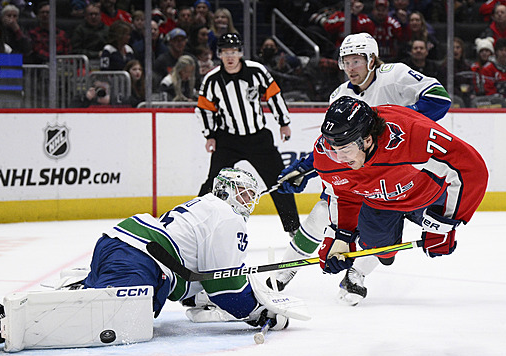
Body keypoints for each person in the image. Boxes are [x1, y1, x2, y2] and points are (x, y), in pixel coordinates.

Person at [0, 168, 291, 351]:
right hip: (141, 260)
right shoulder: (228, 217)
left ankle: (5, 310)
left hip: (124, 243)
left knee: (96, 300)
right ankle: (3, 323)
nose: (250, 202)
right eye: (245, 194)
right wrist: (262, 312)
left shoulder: (205, 205)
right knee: (105, 321)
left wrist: (209, 297)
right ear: (228, 192)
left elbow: (199, 278)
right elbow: (227, 290)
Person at [269, 33, 451, 292]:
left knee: (411, 225)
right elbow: (331, 144)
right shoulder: (340, 95)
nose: (350, 68)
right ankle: (282, 274)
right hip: (360, 175)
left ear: (372, 59)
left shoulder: (395, 75)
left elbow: (439, 99)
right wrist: (303, 168)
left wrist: (398, 122)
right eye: (346, 62)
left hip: (402, 175)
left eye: (356, 61)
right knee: (323, 213)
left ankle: (356, 274)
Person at [278, 97, 488, 306]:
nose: (339, 158)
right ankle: (380, 253)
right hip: (379, 202)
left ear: (367, 140)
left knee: (410, 243)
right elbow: (343, 193)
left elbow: (471, 169)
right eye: (333, 149)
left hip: (428, 197)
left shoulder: (413, 136)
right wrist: (341, 238)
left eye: (345, 150)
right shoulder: (328, 155)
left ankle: (360, 269)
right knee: (383, 252)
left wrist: (445, 225)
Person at [195, 33, 300, 236]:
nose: (230, 56)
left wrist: (284, 122)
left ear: (241, 53)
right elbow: (204, 108)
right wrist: (210, 135)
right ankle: (195, 222)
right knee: (213, 183)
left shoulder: (256, 71)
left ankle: (293, 227)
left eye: (234, 52)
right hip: (228, 139)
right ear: (219, 54)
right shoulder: (212, 80)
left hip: (258, 138)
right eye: (226, 52)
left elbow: (274, 95)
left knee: (279, 181)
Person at [481, 37, 506, 107]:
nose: (504, 53)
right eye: (501, 50)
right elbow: (489, 91)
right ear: (496, 52)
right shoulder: (487, 68)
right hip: (494, 101)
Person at [70, 3, 108, 67]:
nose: (93, 17)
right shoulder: (79, 30)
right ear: (86, 16)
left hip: (104, 62)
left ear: (101, 16)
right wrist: (96, 54)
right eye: (91, 14)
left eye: (96, 14)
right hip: (84, 63)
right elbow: (76, 51)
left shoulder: (107, 29)